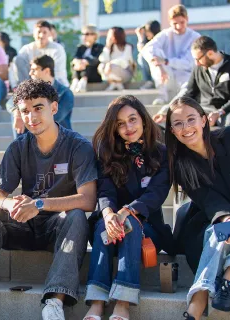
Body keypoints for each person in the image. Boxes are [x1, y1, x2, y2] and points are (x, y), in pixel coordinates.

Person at [0, 79, 97, 320]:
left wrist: (39, 204)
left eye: (38, 108)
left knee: (75, 216)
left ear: (54, 108)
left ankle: (54, 302)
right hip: (23, 224)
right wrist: (9, 203)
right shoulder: (18, 146)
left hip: (57, 228)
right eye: (25, 111)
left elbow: (88, 200)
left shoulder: (78, 146)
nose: (31, 117)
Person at [165, 96, 230, 320]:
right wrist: (226, 218)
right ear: (173, 131)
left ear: (204, 120)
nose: (186, 128)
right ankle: (218, 290)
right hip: (211, 218)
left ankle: (219, 287)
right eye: (178, 123)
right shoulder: (181, 165)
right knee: (219, 231)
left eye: (191, 119)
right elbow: (208, 200)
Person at [84, 95, 174, 320]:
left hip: (148, 228)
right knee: (101, 227)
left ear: (143, 119)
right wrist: (108, 214)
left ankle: (123, 303)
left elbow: (156, 194)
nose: (128, 127)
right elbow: (105, 191)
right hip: (110, 228)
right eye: (121, 123)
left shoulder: (162, 153)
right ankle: (96, 302)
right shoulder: (106, 152)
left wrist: (126, 212)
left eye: (133, 119)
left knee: (131, 222)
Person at [153, 36, 230, 128]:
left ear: (210, 53)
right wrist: (169, 111)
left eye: (198, 59)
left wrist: (219, 112)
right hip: (206, 110)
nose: (196, 63)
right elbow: (189, 94)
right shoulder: (198, 69)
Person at [141, 4, 200, 105]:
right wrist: (159, 64)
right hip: (167, 76)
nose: (179, 26)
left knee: (188, 87)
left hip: (185, 76)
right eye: (175, 23)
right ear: (170, 22)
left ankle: (177, 102)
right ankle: (162, 96)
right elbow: (147, 48)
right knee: (155, 53)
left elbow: (188, 63)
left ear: (187, 19)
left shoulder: (195, 37)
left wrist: (166, 61)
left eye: (182, 22)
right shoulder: (166, 34)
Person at [6, 55, 74, 138]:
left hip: (60, 139)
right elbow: (10, 103)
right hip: (33, 136)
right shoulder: (29, 89)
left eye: (34, 70)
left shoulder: (65, 93)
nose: (30, 73)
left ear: (46, 71)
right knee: (20, 112)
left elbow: (54, 117)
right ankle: (21, 148)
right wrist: (17, 113)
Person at [12, 20, 69, 87]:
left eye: (45, 32)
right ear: (33, 34)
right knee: (18, 59)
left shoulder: (57, 49)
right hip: (33, 86)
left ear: (50, 34)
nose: (41, 35)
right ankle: (25, 88)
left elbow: (57, 74)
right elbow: (17, 65)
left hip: (56, 86)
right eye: (39, 32)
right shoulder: (26, 49)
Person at [70, 24, 104, 93]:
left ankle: (82, 81)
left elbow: (96, 60)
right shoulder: (80, 47)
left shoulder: (99, 47)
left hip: (94, 75)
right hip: (79, 72)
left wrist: (85, 61)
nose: (84, 36)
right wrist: (78, 62)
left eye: (87, 34)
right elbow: (75, 58)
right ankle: (75, 80)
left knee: (87, 62)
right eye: (83, 34)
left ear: (95, 35)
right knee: (75, 63)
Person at [98, 27, 134, 91]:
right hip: (110, 71)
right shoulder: (110, 48)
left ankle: (115, 83)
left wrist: (110, 64)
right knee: (101, 66)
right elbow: (102, 59)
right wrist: (107, 47)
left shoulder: (127, 47)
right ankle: (116, 83)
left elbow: (124, 62)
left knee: (111, 66)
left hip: (125, 72)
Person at [136, 20, 161, 90]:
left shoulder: (160, 39)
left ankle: (151, 81)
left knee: (142, 57)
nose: (146, 34)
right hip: (154, 70)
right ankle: (148, 81)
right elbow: (143, 51)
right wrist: (140, 37)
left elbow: (143, 51)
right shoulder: (147, 41)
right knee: (141, 57)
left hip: (161, 70)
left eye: (147, 31)